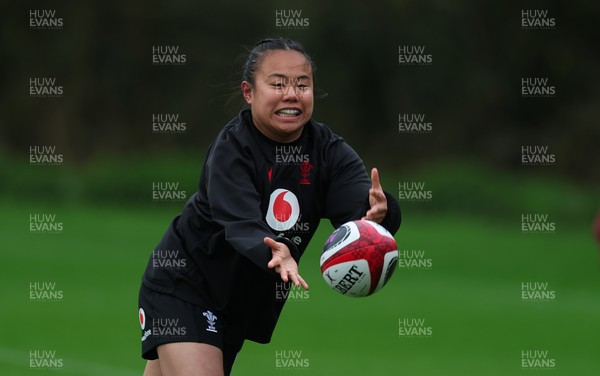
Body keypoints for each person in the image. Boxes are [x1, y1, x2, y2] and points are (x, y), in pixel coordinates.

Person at [138, 37, 401, 376]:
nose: (291, 94)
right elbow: (240, 220)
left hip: (234, 304)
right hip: (185, 284)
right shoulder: (233, 148)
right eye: (277, 84)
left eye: (302, 85)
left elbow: (360, 214)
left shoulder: (328, 152)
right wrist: (273, 250)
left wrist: (380, 213)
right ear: (249, 92)